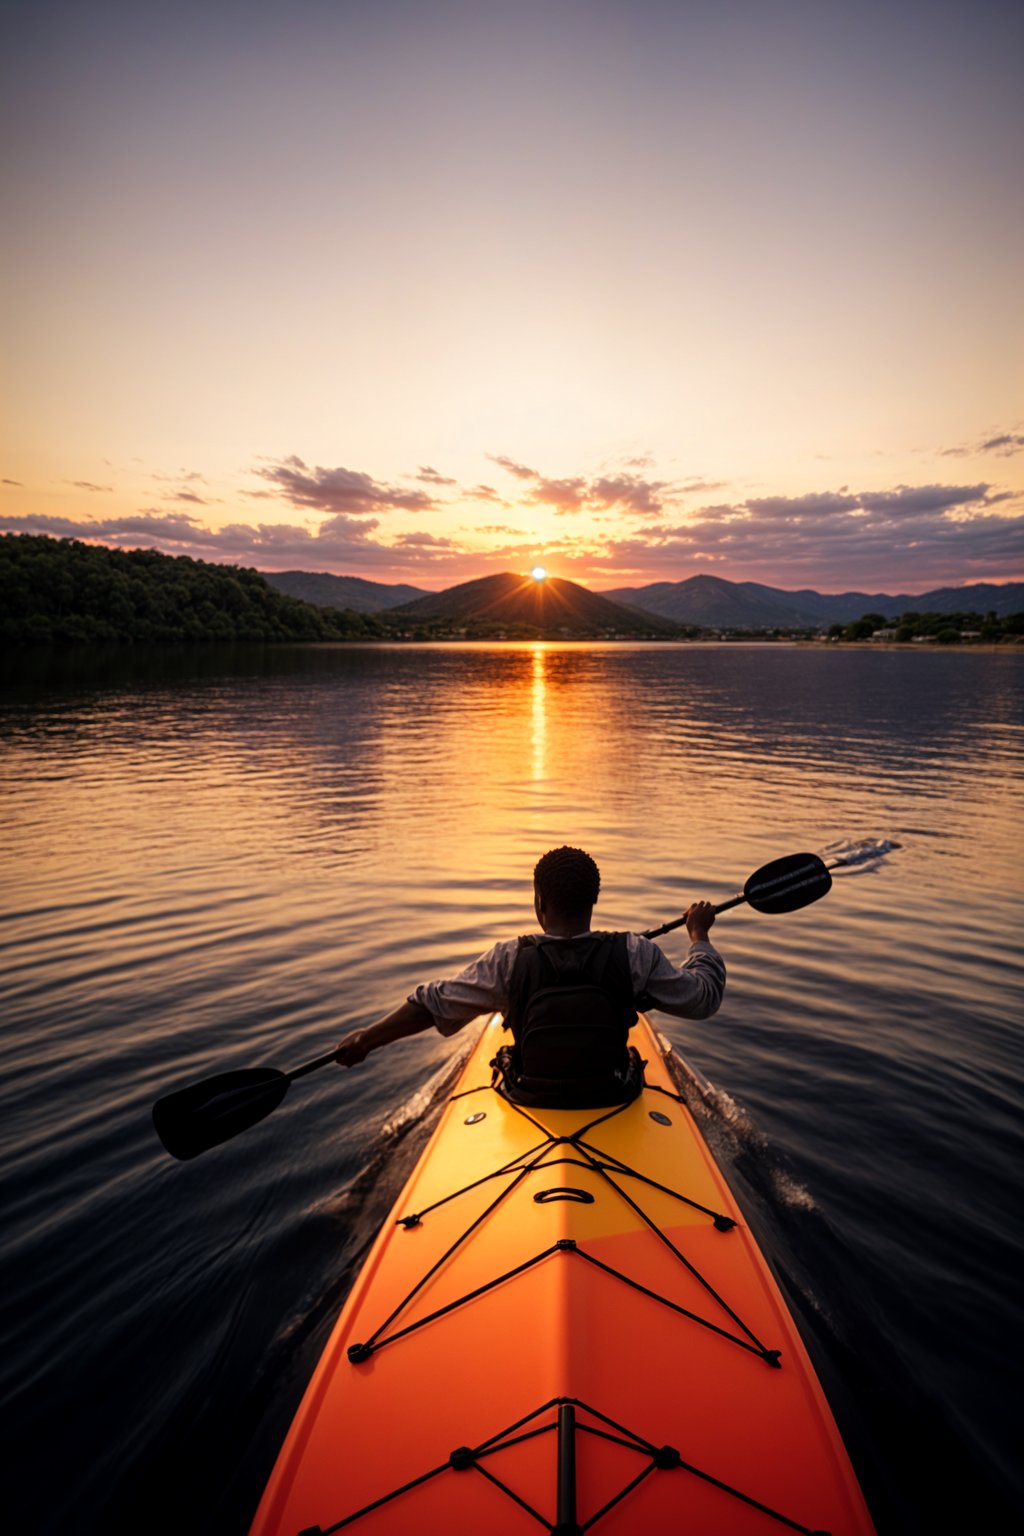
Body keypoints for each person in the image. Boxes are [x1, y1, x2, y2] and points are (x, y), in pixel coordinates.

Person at [335, 846, 724, 1104]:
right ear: (594, 900)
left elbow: (429, 1005)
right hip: (611, 1091)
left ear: (539, 901)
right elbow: (702, 998)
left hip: (530, 1094)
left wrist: (366, 1040)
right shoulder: (636, 952)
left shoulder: (507, 959)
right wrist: (699, 936)